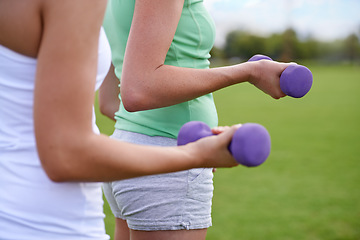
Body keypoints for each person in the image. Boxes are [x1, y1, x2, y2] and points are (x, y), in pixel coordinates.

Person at [0, 1, 243, 239]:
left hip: (13, 204)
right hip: (50, 221)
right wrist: (196, 154)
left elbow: (108, 103)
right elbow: (64, 153)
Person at [99, 0, 291, 239]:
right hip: (168, 164)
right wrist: (250, 71)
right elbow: (138, 90)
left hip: (126, 150)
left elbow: (108, 102)